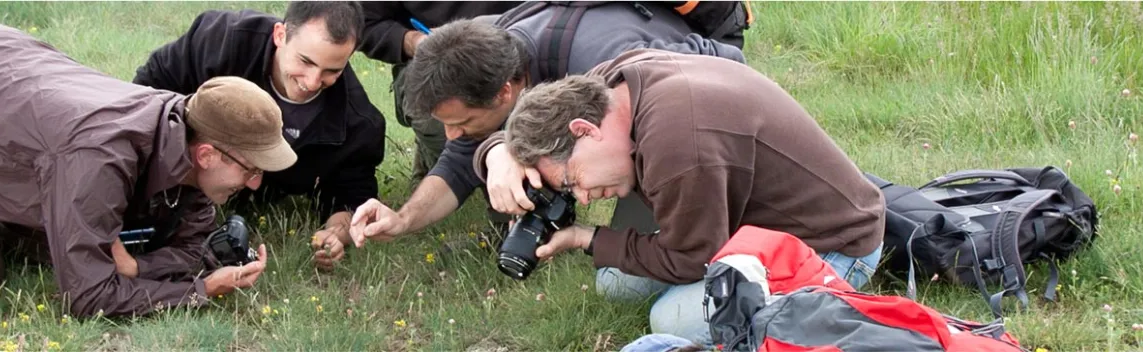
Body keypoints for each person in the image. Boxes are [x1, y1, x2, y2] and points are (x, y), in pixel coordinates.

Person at [0, 20, 284, 317]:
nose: (256, 183)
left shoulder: (189, 134)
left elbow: (192, 244)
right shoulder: (103, 157)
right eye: (251, 169)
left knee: (42, 237)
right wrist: (199, 292)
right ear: (207, 155)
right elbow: (86, 296)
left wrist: (139, 265)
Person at [497, 49, 887, 343]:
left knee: (673, 320)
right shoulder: (610, 85)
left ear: (584, 130)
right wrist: (504, 155)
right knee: (615, 283)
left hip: (831, 244)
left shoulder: (678, 147)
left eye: (571, 181)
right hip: (743, 228)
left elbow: (691, 259)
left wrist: (586, 238)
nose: (582, 198)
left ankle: (813, 299)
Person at [346, 6, 746, 255]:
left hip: (701, 124)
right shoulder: (491, 44)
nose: (452, 135)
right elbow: (458, 163)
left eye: (462, 123)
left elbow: (725, 72)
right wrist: (402, 219)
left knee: (626, 279)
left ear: (505, 92)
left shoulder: (607, 66)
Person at [133, 2, 383, 271]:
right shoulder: (221, 41)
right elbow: (147, 99)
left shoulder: (358, 123)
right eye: (305, 61)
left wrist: (336, 234)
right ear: (280, 35)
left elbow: (351, 197)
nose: (312, 82)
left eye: (332, 71)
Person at [357, 1, 522, 183]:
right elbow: (363, 21)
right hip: (429, 62)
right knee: (444, 125)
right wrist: (414, 41)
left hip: (515, 50)